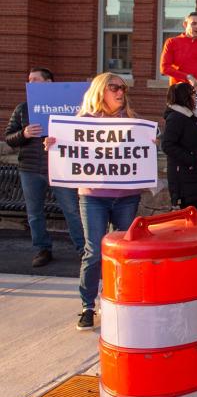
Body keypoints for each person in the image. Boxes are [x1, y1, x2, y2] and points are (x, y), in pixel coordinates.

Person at [46, 73, 143, 330]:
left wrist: (149, 145)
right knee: (93, 252)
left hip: (126, 197)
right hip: (93, 197)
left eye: (123, 88)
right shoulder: (82, 123)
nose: (121, 92)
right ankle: (87, 306)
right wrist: (54, 145)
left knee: (124, 252)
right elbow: (68, 150)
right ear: (101, 91)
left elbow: (141, 153)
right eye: (114, 87)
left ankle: (120, 299)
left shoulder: (131, 121)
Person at [4, 68, 85, 267]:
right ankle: (42, 249)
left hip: (61, 168)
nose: (30, 83)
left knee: (71, 210)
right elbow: (9, 138)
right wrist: (23, 134)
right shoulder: (23, 109)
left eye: (35, 80)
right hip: (30, 169)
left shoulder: (68, 107)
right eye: (29, 80)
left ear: (49, 83)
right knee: (34, 212)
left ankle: (83, 249)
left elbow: (82, 134)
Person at [162, 83, 197, 215]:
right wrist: (192, 160)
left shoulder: (189, 116)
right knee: (191, 222)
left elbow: (194, 145)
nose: (196, 97)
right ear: (185, 96)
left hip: (194, 177)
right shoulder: (176, 117)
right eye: (193, 94)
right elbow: (167, 145)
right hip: (184, 179)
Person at [160, 11, 197, 96]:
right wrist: (188, 77)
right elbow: (164, 68)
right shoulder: (172, 42)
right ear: (185, 24)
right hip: (179, 93)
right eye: (194, 23)